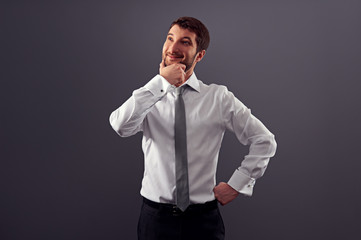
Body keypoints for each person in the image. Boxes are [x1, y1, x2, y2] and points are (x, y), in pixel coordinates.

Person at [109, 16, 277, 240]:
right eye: (170, 38)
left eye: (185, 42)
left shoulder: (218, 98)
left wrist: (238, 184)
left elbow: (264, 141)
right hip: (156, 220)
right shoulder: (148, 96)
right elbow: (120, 126)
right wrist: (160, 82)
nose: (173, 47)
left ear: (200, 55)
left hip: (203, 220)